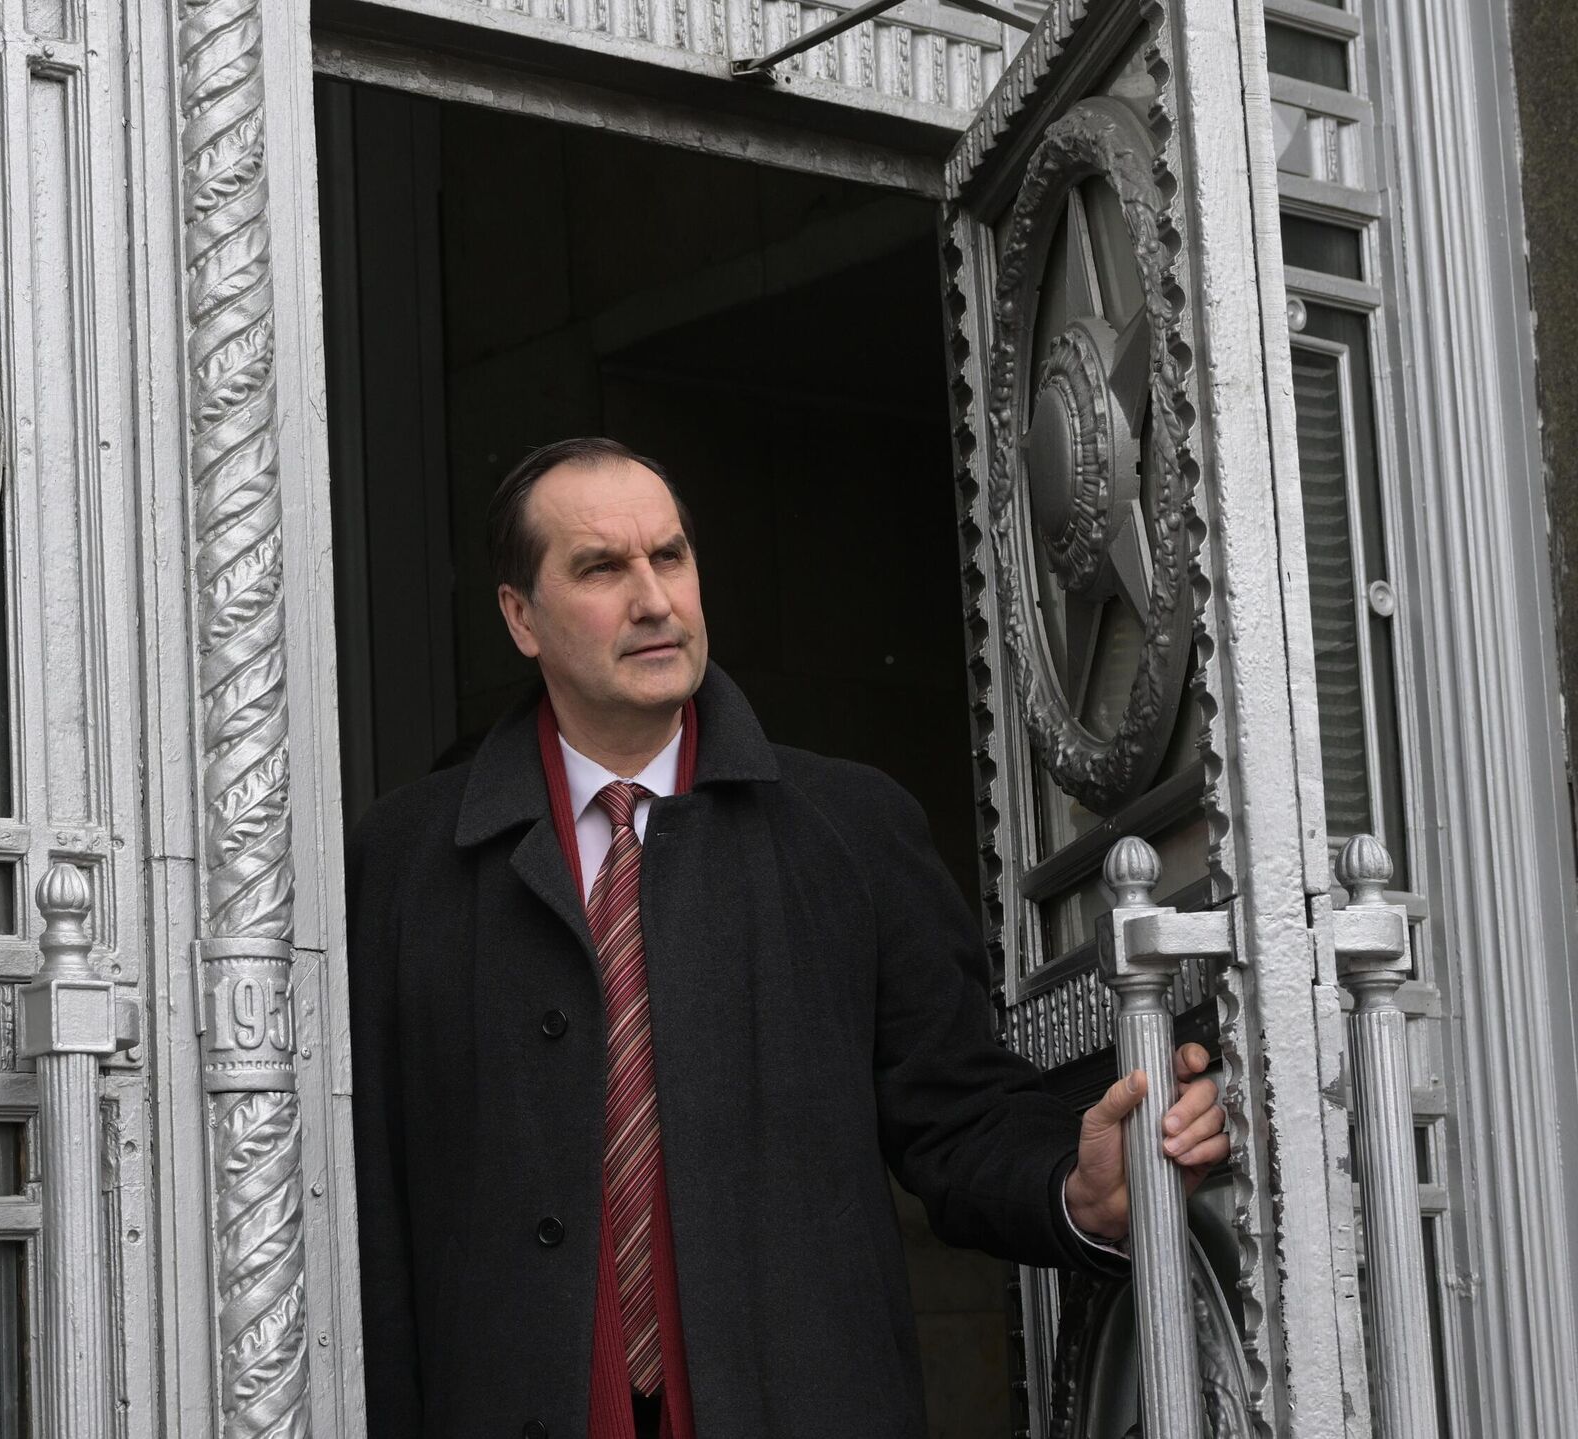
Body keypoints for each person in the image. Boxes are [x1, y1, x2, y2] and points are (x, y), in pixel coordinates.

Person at [347, 437, 1228, 1439]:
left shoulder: (854, 829)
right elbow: (367, 1207)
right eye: (600, 568)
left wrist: (1074, 1186)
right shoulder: (405, 863)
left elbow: (957, 1114)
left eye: (670, 556)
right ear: (521, 616)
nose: (653, 600)